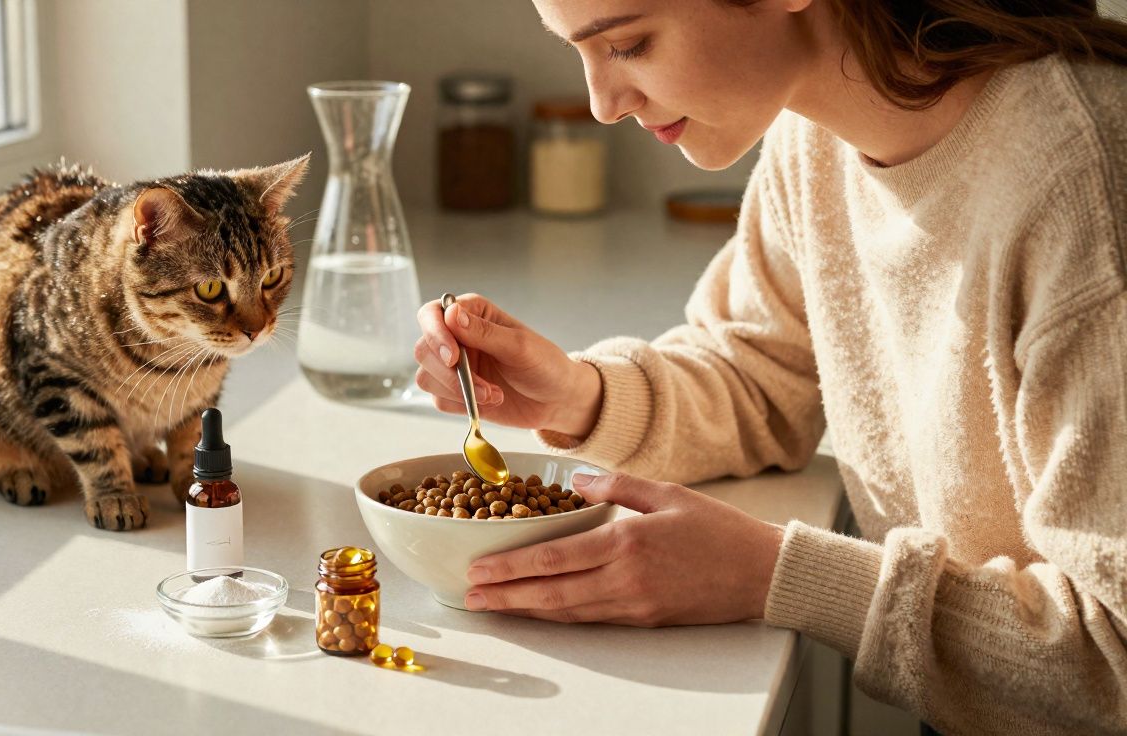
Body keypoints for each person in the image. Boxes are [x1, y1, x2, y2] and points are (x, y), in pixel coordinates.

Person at [412, 1, 1127, 733]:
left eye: (628, 44)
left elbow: (1115, 660)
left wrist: (773, 575)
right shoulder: (814, 137)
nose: (601, 104)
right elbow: (759, 371)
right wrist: (577, 395)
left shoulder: (1086, 186)